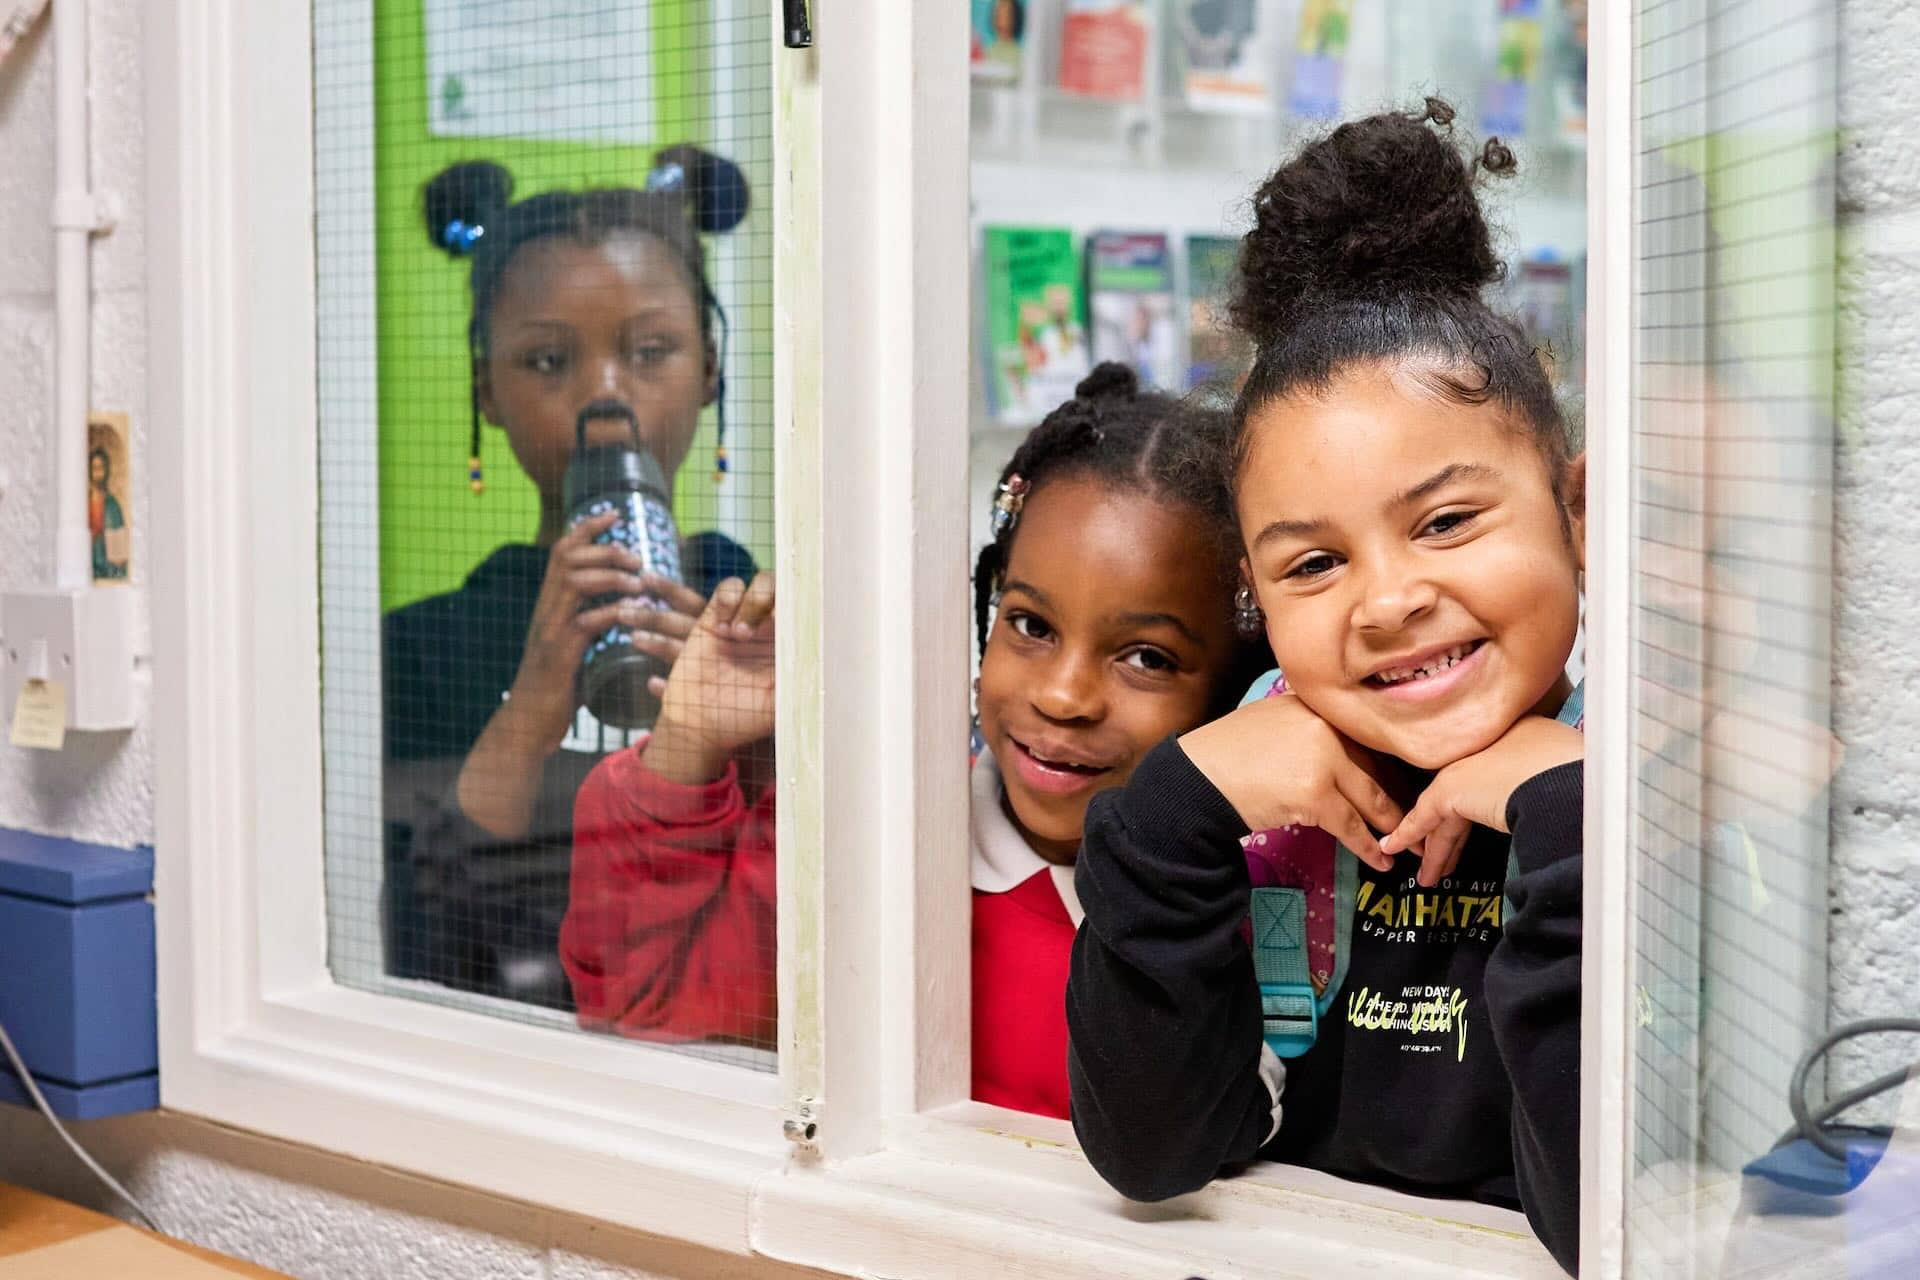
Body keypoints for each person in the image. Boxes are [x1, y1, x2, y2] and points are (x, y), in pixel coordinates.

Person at [1065, 100, 1588, 1275]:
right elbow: (1152, 1153)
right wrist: (1173, 804)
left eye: (1447, 520)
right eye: (1314, 562)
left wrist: (1569, 810)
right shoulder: (1251, 792)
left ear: (1579, 513)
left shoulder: (1637, 785)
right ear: (1255, 596)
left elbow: (1604, 1216)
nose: (1388, 599)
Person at [384, 152, 756, 1010]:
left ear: (709, 370)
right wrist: (531, 707)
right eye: (549, 362)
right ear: (487, 389)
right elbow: (417, 947)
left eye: (651, 351)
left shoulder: (755, 605)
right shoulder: (419, 650)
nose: (606, 398)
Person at [968, 363, 1265, 1117]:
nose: (1063, 697)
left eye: (1146, 659)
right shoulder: (896, 849)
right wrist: (693, 754)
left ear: (1240, 691)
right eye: (1030, 625)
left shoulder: (1263, 915)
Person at [88, 447, 128, 580]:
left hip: (106, 569)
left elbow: (120, 554)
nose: (98, 473)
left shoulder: (112, 505)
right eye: (95, 468)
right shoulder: (84, 503)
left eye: (101, 468)